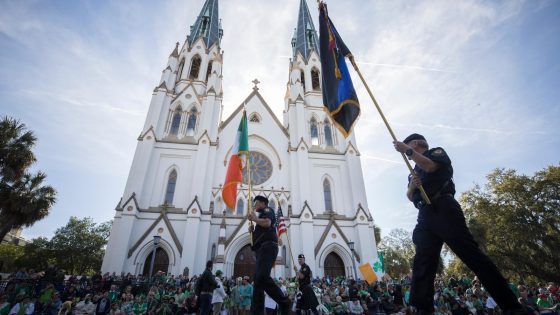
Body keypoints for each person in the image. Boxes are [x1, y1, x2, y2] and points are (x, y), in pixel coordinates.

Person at [393, 133, 527, 315]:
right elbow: (410, 196)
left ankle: (511, 305)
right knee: (423, 261)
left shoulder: (435, 153)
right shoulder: (413, 170)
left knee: (471, 255)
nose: (404, 147)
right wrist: (412, 186)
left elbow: (431, 167)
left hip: (443, 207)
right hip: (424, 214)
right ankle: (420, 307)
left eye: (408, 144)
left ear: (415, 143)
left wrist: (407, 150)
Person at [247, 195, 290, 315]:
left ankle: (284, 301)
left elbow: (267, 223)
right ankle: (257, 311)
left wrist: (255, 219)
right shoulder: (259, 217)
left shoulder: (267, 211)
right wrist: (252, 233)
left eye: (256, 202)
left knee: (262, 277)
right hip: (261, 250)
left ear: (263, 203)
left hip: (268, 247)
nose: (254, 205)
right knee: (257, 282)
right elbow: (254, 244)